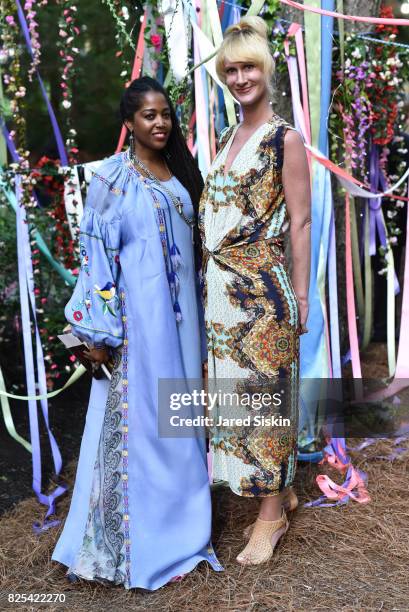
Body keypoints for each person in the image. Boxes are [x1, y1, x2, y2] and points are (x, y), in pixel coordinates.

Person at [52, 76, 222, 590]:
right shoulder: (110, 179)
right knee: (147, 428)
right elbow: (95, 256)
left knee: (182, 423)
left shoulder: (181, 175)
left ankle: (189, 532)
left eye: (166, 113)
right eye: (149, 115)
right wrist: (94, 332)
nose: (160, 122)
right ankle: (145, 542)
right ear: (130, 123)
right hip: (138, 329)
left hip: (184, 324)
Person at [200, 16, 311, 566]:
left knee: (263, 404)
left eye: (248, 67)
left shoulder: (284, 139)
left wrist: (303, 295)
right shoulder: (226, 136)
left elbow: (301, 223)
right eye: (231, 69)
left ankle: (270, 519)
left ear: (266, 70)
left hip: (263, 295)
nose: (240, 77)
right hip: (223, 293)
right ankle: (280, 488)